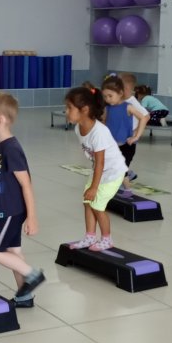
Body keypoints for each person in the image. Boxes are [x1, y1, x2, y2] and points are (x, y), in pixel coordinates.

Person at [0, 92, 45, 307]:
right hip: (4, 206)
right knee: (13, 251)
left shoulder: (12, 149)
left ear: (0, 119)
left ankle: (33, 275)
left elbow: (26, 184)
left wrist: (32, 217)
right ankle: (24, 296)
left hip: (13, 210)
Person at [64, 85, 126, 251]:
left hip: (112, 172)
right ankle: (90, 237)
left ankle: (107, 239)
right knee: (87, 202)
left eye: (69, 108)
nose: (66, 111)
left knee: (97, 205)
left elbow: (101, 162)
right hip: (99, 170)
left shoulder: (99, 132)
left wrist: (94, 187)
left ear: (84, 110)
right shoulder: (78, 128)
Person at [101, 76, 148, 191]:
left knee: (120, 169)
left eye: (110, 96)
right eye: (105, 96)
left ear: (120, 93)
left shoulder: (128, 107)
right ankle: (121, 185)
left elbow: (143, 118)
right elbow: (104, 122)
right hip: (112, 145)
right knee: (113, 168)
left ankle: (127, 190)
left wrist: (136, 136)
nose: (108, 99)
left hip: (127, 145)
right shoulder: (108, 108)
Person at [120, 73, 150, 182]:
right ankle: (127, 174)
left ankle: (124, 182)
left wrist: (136, 135)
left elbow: (146, 116)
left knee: (123, 162)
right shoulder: (119, 100)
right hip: (119, 139)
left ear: (126, 89)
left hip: (129, 140)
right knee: (117, 162)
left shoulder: (132, 102)